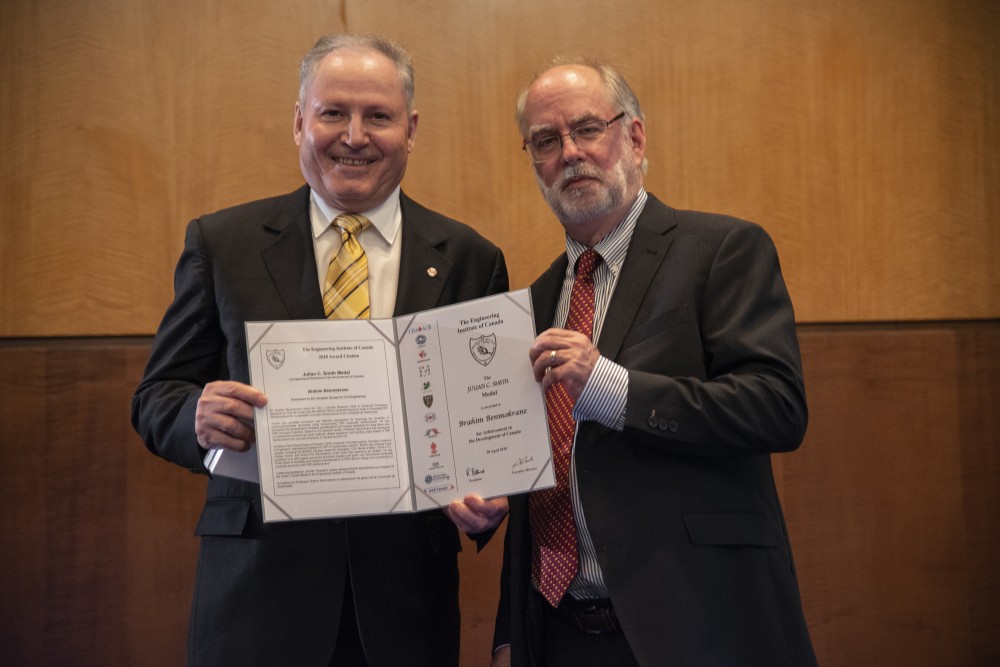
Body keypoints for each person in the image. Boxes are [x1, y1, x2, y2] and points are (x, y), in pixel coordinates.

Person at [131, 33, 508, 666]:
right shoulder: (224, 243)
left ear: (410, 129)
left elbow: (488, 431)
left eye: (378, 116)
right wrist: (195, 417)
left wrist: (490, 496)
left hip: (404, 607)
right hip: (256, 598)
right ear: (300, 121)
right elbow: (155, 398)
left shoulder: (472, 259)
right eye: (333, 112)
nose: (354, 136)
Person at [491, 57, 816, 666]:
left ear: (633, 136)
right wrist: (511, 626)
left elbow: (778, 408)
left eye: (587, 128)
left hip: (699, 624)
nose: (569, 153)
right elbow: (537, 476)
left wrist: (611, 388)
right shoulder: (532, 302)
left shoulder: (722, 250)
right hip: (561, 635)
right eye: (546, 140)